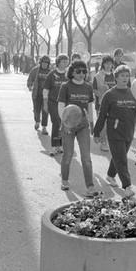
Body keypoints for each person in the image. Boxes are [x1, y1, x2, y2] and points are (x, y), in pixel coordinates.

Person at [93, 65, 136, 198]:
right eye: (122, 75)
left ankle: (110, 175)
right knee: (122, 160)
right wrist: (96, 133)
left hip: (128, 133)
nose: (125, 78)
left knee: (118, 157)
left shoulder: (133, 93)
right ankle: (127, 186)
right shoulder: (109, 95)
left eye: (127, 75)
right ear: (116, 78)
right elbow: (102, 115)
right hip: (114, 133)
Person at [57, 60, 100, 197]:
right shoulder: (65, 86)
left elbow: (90, 107)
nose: (81, 74)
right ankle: (64, 180)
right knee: (68, 155)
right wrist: (65, 123)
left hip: (83, 126)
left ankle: (90, 186)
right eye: (78, 71)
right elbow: (61, 106)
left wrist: (92, 123)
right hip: (68, 125)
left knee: (86, 158)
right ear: (72, 72)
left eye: (84, 71)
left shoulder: (88, 87)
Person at [43, 54, 70, 156]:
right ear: (58, 62)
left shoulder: (69, 75)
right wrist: (45, 104)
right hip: (53, 102)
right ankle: (55, 146)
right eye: (63, 61)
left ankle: (61, 145)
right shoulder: (51, 74)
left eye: (67, 62)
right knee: (56, 122)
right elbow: (46, 90)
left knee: (63, 123)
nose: (65, 63)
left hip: (65, 103)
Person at [92, 55, 117, 152]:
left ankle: (110, 140)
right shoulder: (97, 76)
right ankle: (103, 142)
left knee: (112, 123)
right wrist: (102, 95)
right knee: (102, 123)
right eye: (107, 63)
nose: (108, 65)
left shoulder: (115, 75)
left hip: (114, 104)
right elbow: (94, 90)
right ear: (103, 64)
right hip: (101, 103)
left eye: (110, 63)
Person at [27, 55, 52, 135]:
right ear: (40, 62)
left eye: (47, 63)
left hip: (46, 96)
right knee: (36, 110)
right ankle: (37, 121)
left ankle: (44, 127)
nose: (45, 64)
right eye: (43, 62)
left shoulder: (50, 72)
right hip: (36, 94)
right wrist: (30, 86)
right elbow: (30, 78)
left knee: (45, 111)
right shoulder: (35, 70)